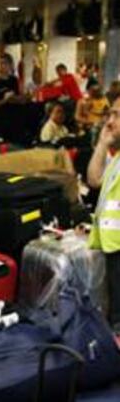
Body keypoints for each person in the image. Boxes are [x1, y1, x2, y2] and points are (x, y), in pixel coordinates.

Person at [88, 97, 120, 335]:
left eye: (117, 115)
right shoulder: (117, 157)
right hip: (113, 247)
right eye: (110, 115)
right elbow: (94, 179)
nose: (110, 121)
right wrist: (102, 143)